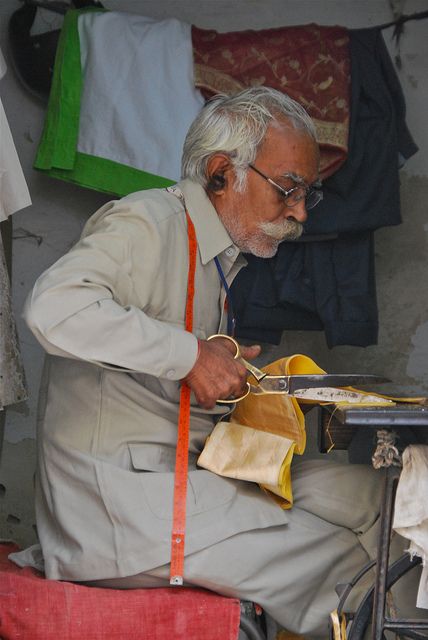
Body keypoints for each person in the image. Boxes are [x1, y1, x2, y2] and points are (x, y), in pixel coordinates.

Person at [24, 86, 385, 637]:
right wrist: (190, 354)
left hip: (181, 480)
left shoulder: (216, 256)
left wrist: (245, 383)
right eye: (288, 189)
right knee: (353, 565)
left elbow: (163, 380)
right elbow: (54, 308)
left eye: (306, 195)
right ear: (222, 171)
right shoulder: (150, 221)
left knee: (381, 496)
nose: (298, 214)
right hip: (122, 511)